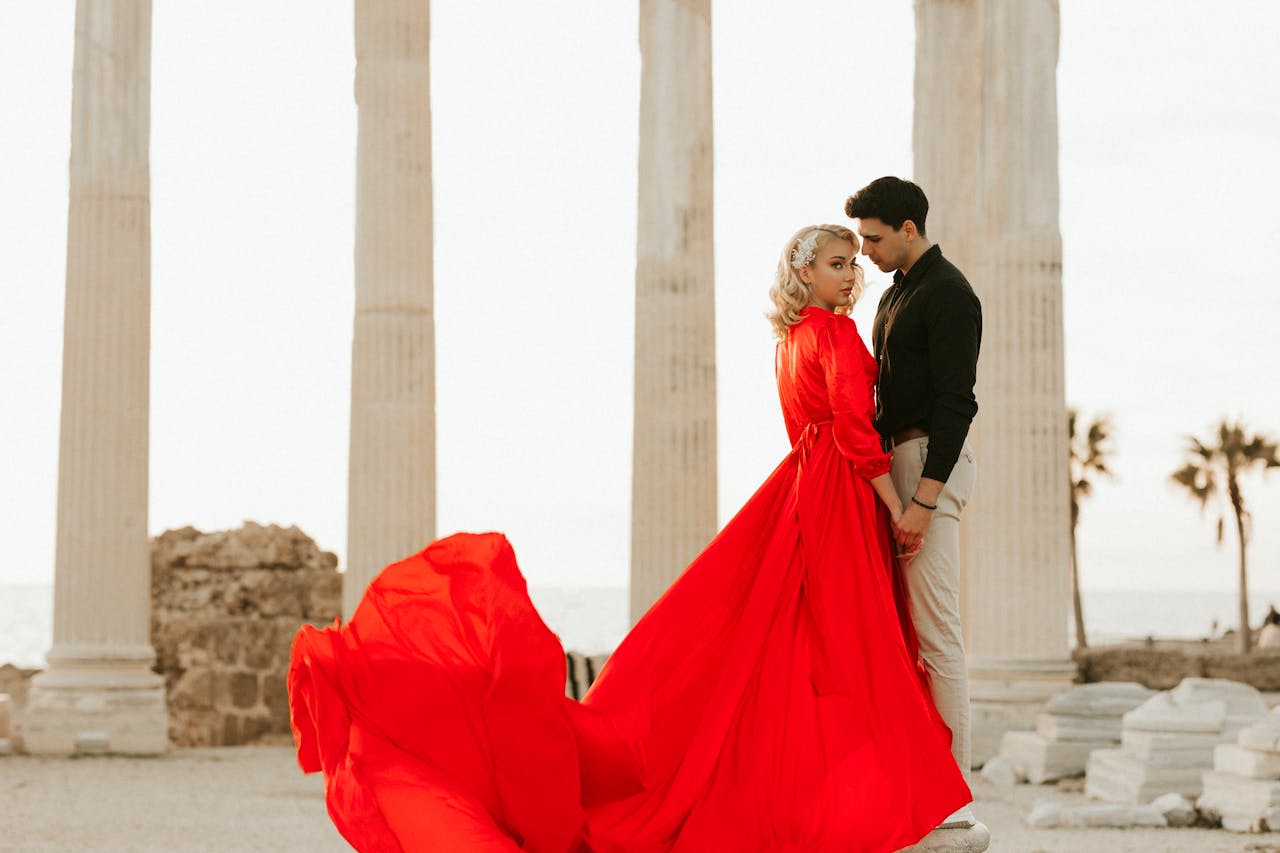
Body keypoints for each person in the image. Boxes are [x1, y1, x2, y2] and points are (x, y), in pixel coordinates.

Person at [288, 224, 971, 852]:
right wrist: (897, 506)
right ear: (805, 273)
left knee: (776, 643)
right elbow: (853, 428)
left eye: (853, 263)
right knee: (851, 643)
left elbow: (809, 425)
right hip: (840, 490)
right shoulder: (837, 335)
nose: (851, 275)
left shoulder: (789, 341)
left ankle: (813, 792)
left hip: (799, 484)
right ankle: (874, 796)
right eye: (837, 264)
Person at [845, 177, 983, 828]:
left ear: (908, 228)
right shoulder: (895, 293)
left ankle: (952, 798)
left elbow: (958, 402)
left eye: (873, 239)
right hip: (895, 461)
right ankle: (918, 780)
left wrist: (924, 500)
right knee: (905, 633)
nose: (865, 252)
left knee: (937, 632)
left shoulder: (950, 292)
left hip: (927, 463)